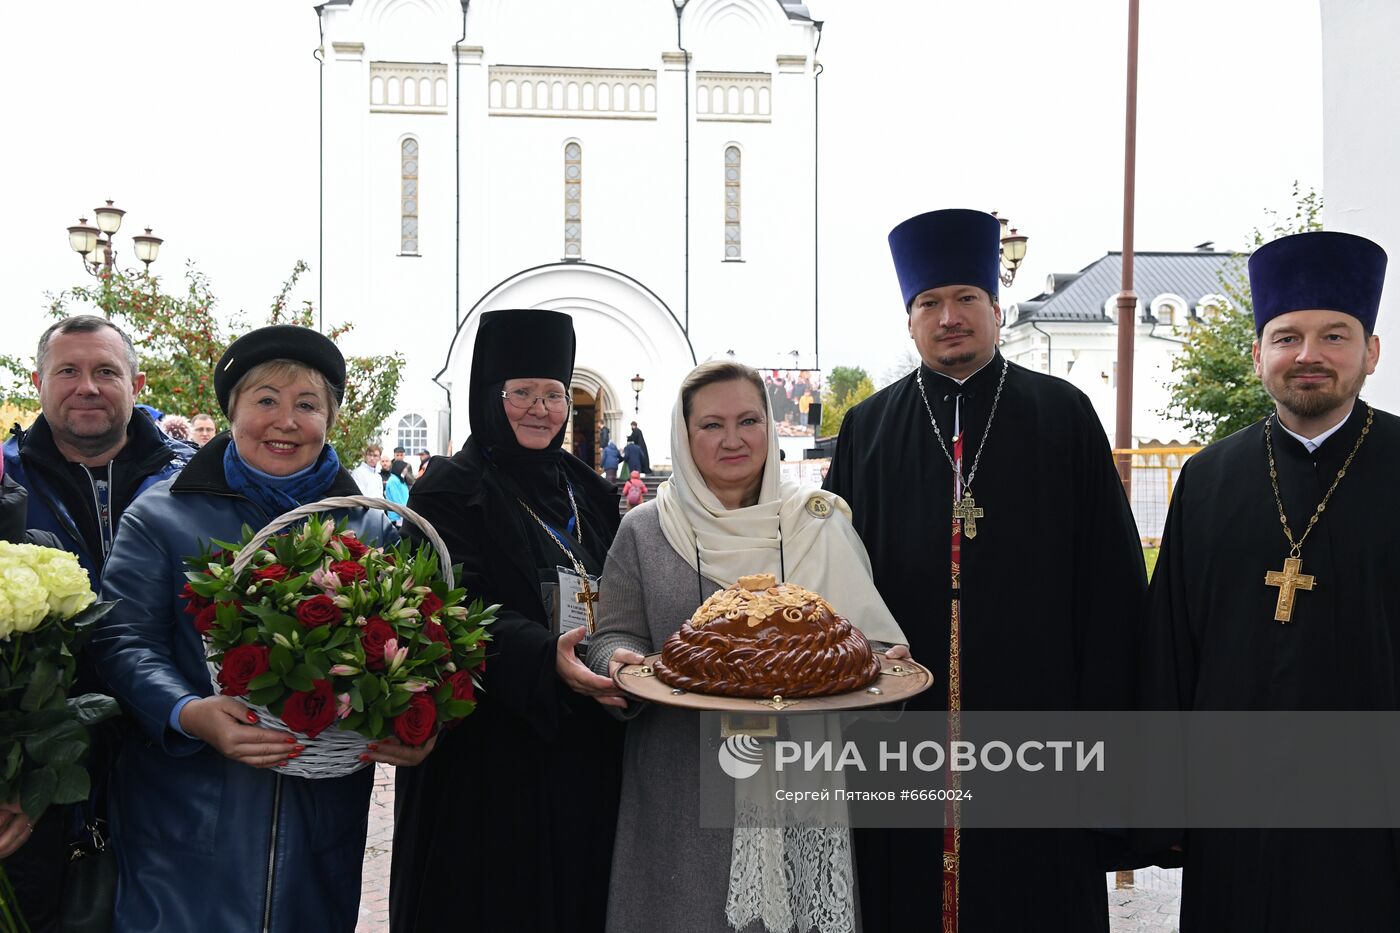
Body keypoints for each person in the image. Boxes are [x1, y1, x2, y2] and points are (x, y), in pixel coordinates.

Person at [824, 209, 1146, 932]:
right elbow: (836, 581)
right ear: (909, 321)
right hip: (901, 725)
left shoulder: (1064, 415)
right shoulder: (869, 429)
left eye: (966, 299)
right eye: (929, 304)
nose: (949, 318)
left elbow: (1113, 590)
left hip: (1041, 723)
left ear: (996, 310)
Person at [90, 325, 431, 932]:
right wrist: (187, 711)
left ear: (330, 420)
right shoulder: (163, 514)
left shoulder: (373, 530)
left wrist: (414, 720)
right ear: (232, 412)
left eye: (307, 405)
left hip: (319, 820)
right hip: (188, 816)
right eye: (265, 400)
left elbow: (412, 650)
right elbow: (122, 640)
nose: (285, 421)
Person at [585, 361, 908, 933]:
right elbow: (614, 632)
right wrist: (615, 662)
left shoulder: (818, 522)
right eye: (711, 425)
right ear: (684, 437)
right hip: (682, 785)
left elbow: (865, 644)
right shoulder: (643, 529)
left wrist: (881, 670)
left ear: (771, 428)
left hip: (800, 780)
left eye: (748, 420)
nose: (733, 440)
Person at [1142, 230, 1400, 931]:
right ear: (1259, 354)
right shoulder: (1208, 478)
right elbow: (1170, 652)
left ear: (1370, 352)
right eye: (1287, 337)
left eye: (1334, 336)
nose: (1308, 355)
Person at [389, 309, 623, 933]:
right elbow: (438, 607)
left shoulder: (587, 488)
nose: (540, 409)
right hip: (487, 755)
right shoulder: (447, 491)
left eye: (553, 394)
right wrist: (543, 656)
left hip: (584, 742)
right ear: (489, 396)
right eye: (520, 392)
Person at [1, 314, 191, 932]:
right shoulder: (5, 482)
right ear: (38, 382)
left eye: (106, 371)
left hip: (176, 747)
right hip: (43, 763)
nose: (88, 386)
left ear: (135, 382)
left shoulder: (193, 480)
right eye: (68, 371)